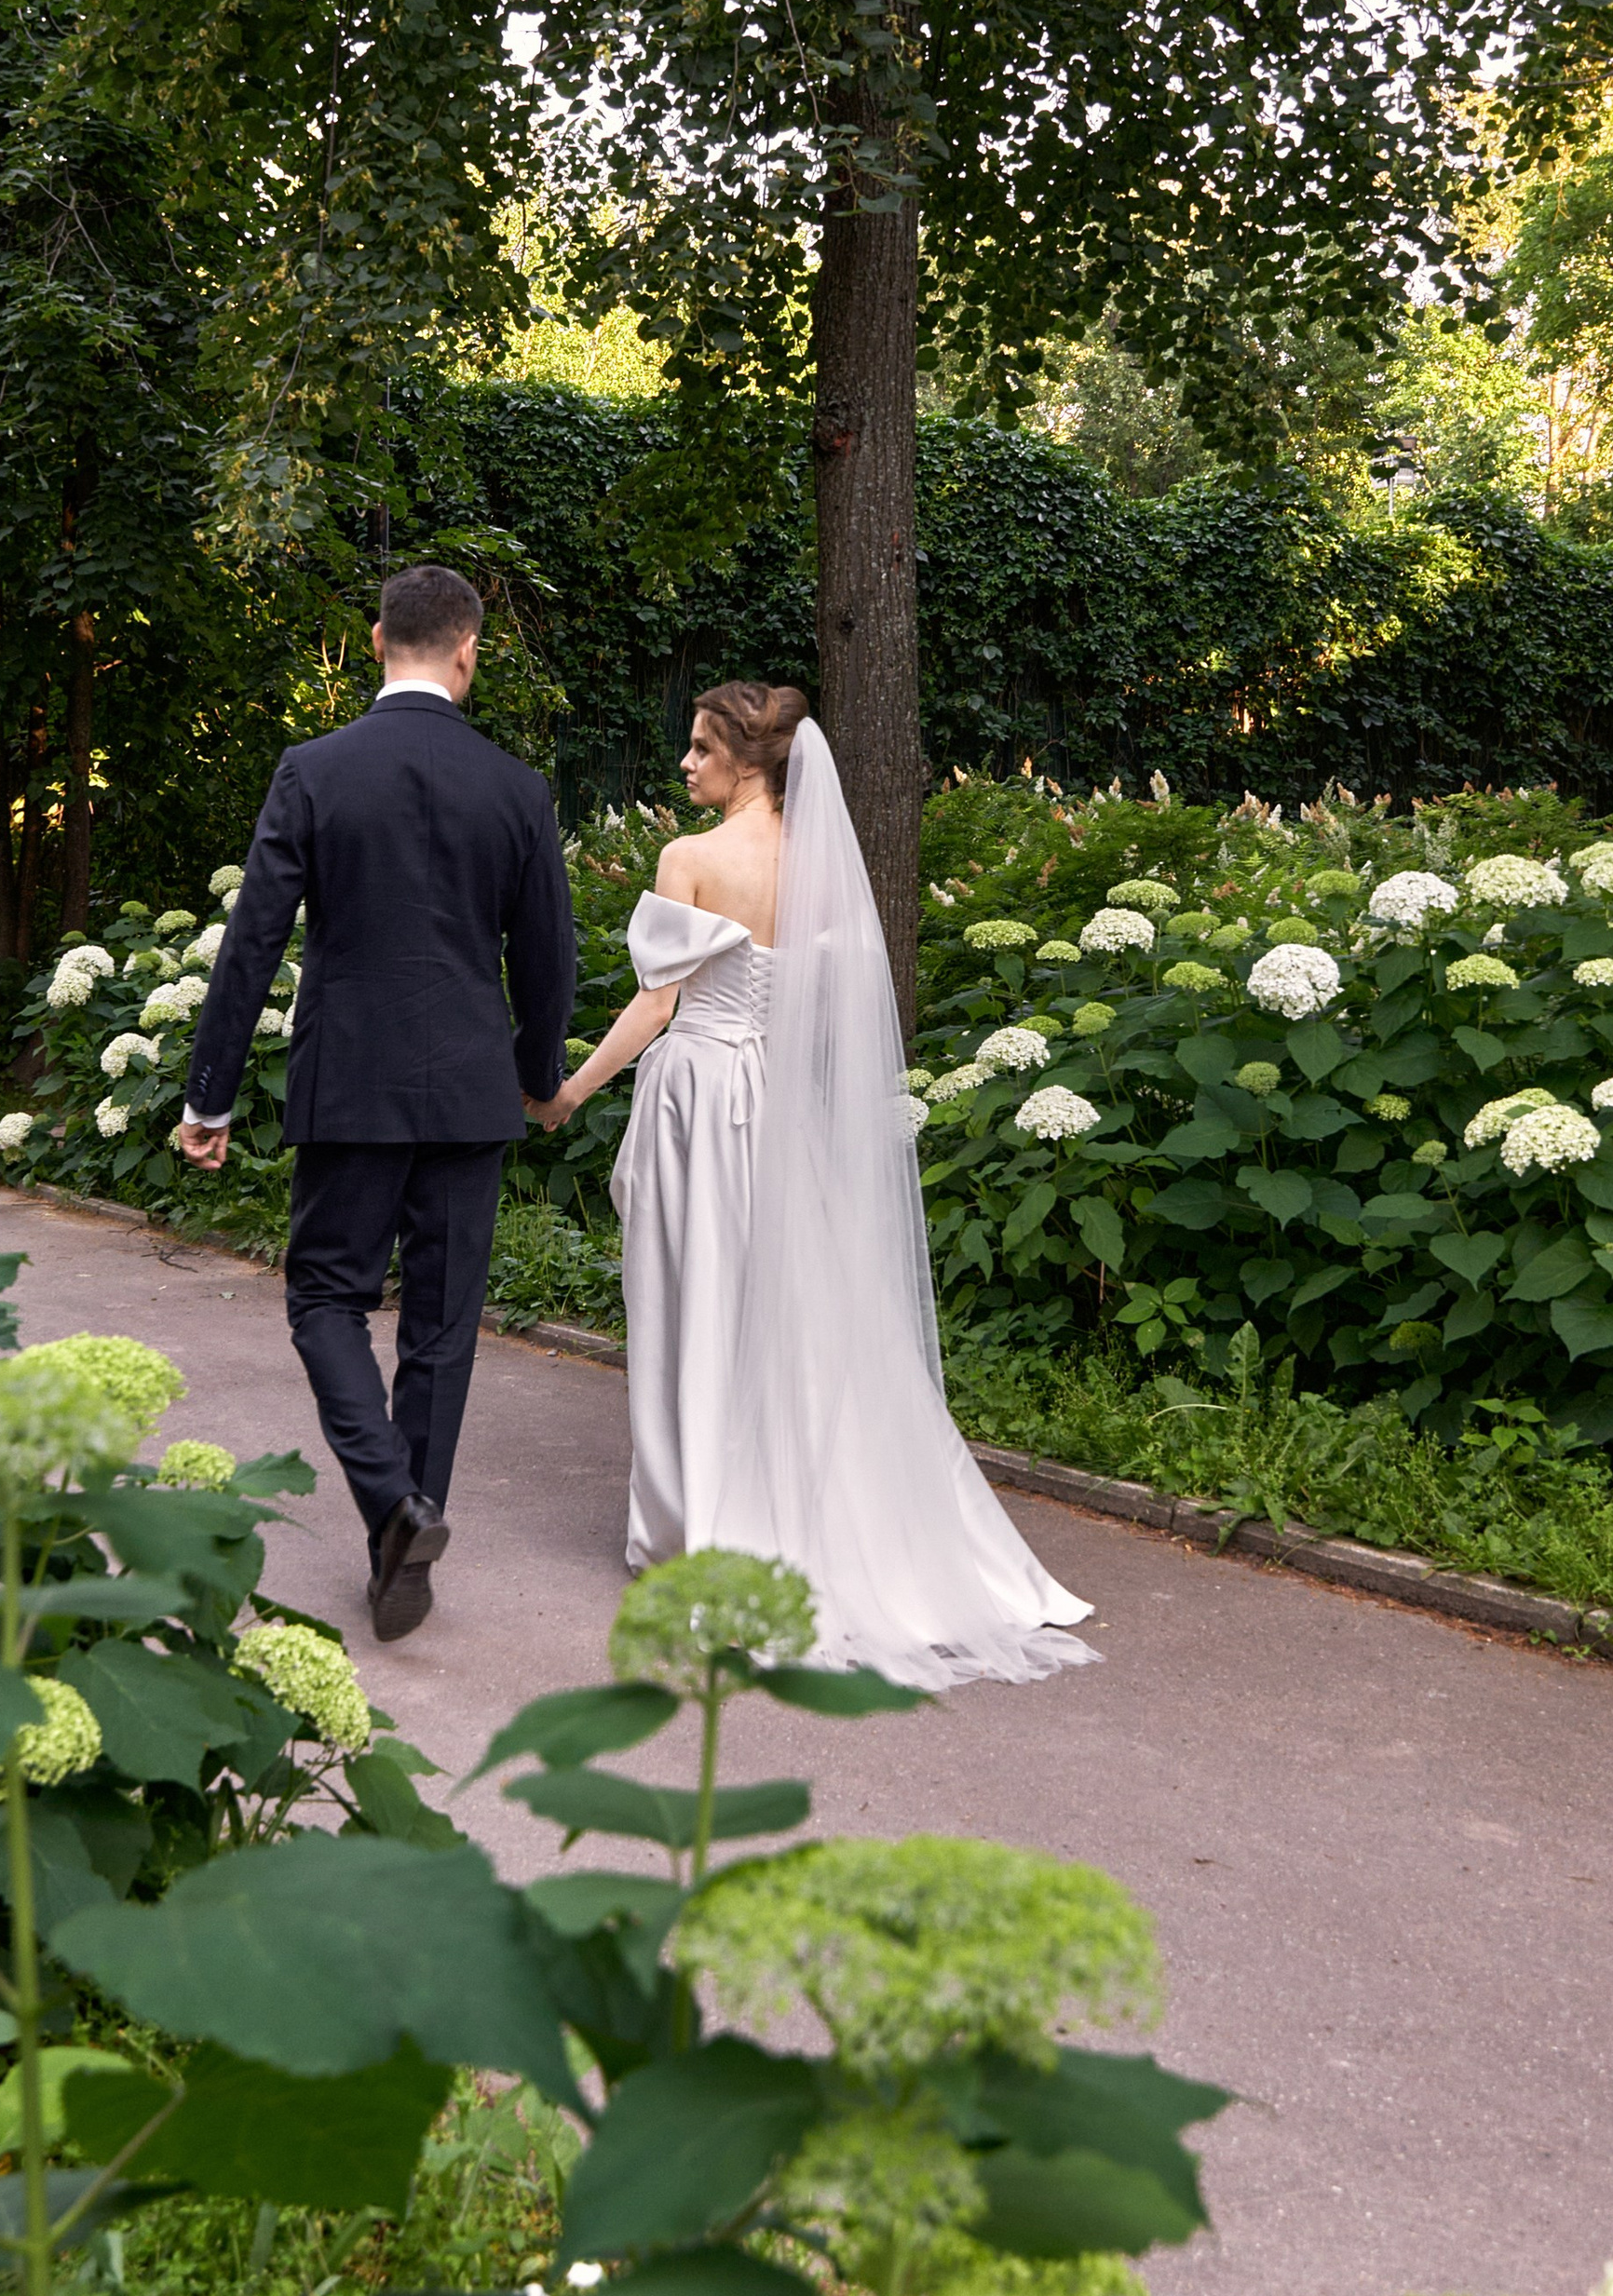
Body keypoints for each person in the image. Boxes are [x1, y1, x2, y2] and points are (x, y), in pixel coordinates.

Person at [530, 683, 1097, 1690]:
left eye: (699, 750)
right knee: (795, 1312)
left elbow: (657, 1005)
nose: (685, 766)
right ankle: (808, 1514)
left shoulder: (691, 859)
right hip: (780, 1106)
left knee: (692, 1300)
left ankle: (703, 1527)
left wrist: (567, 1092)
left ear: (745, 761)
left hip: (702, 1102)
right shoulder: (819, 858)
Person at [178, 565, 575, 1639]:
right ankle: (407, 1531)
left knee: (325, 1301)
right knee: (442, 1328)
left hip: (347, 1082)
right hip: (468, 1091)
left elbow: (251, 940)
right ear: (468, 651)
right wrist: (538, 1078)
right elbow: (546, 960)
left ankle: (393, 1507)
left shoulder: (314, 771)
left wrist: (209, 1095)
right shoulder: (516, 788)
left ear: (373, 641)